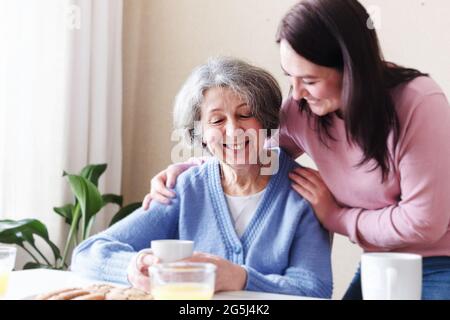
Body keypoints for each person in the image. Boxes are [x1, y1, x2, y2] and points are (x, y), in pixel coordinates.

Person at [144, 0, 450, 300]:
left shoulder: (417, 103)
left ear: (351, 67)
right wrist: (189, 169)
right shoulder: (304, 110)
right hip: (379, 262)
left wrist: (336, 216)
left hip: (441, 262)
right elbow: (252, 151)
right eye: (290, 76)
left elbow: (424, 222)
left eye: (309, 80)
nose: (297, 93)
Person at [71, 57, 333, 298]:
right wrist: (139, 265)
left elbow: (313, 287)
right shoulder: (185, 188)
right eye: (217, 120)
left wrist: (239, 278)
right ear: (201, 134)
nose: (233, 130)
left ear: (265, 121)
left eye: (245, 115)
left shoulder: (303, 192)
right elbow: (87, 253)